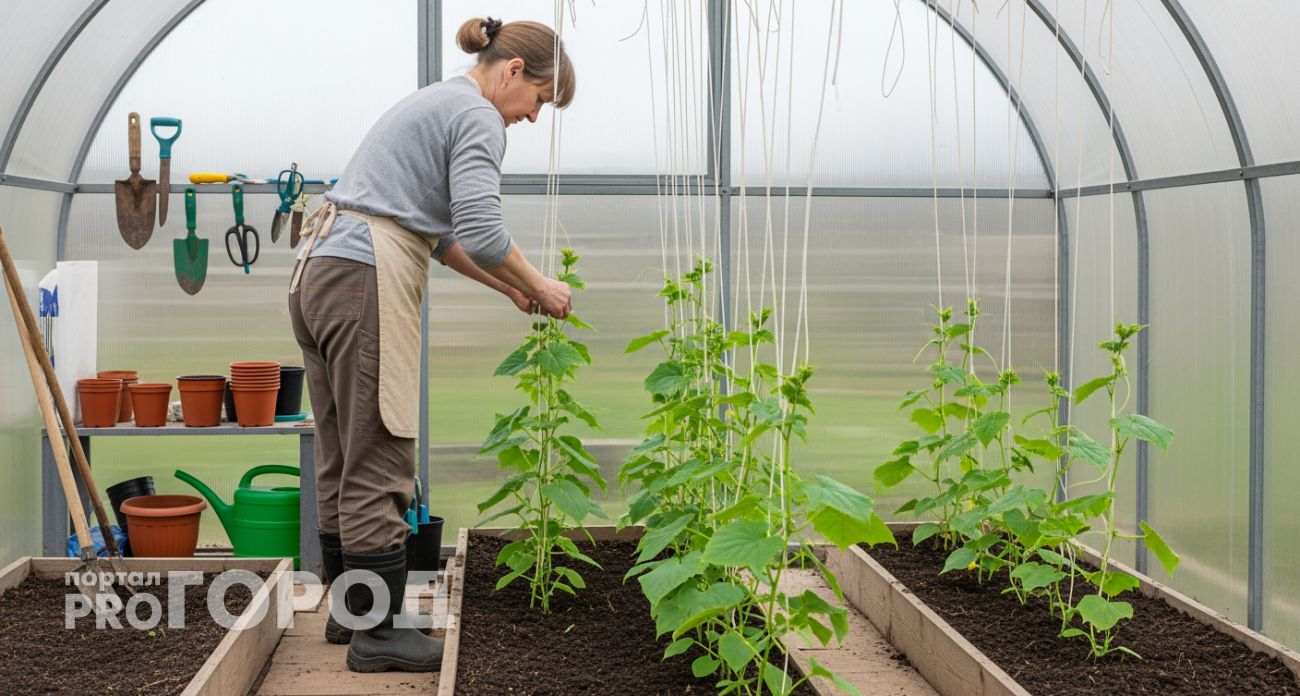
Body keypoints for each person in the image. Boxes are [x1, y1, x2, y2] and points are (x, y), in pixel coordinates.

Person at [288, 17, 575, 673]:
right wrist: (542, 285)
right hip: (364, 277)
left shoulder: (436, 101)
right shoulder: (478, 117)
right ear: (511, 72)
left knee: (340, 452)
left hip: (320, 270)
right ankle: (381, 635)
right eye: (539, 99)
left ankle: (351, 612)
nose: (533, 117)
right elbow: (479, 225)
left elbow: (442, 239)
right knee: (381, 452)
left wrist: (508, 290)